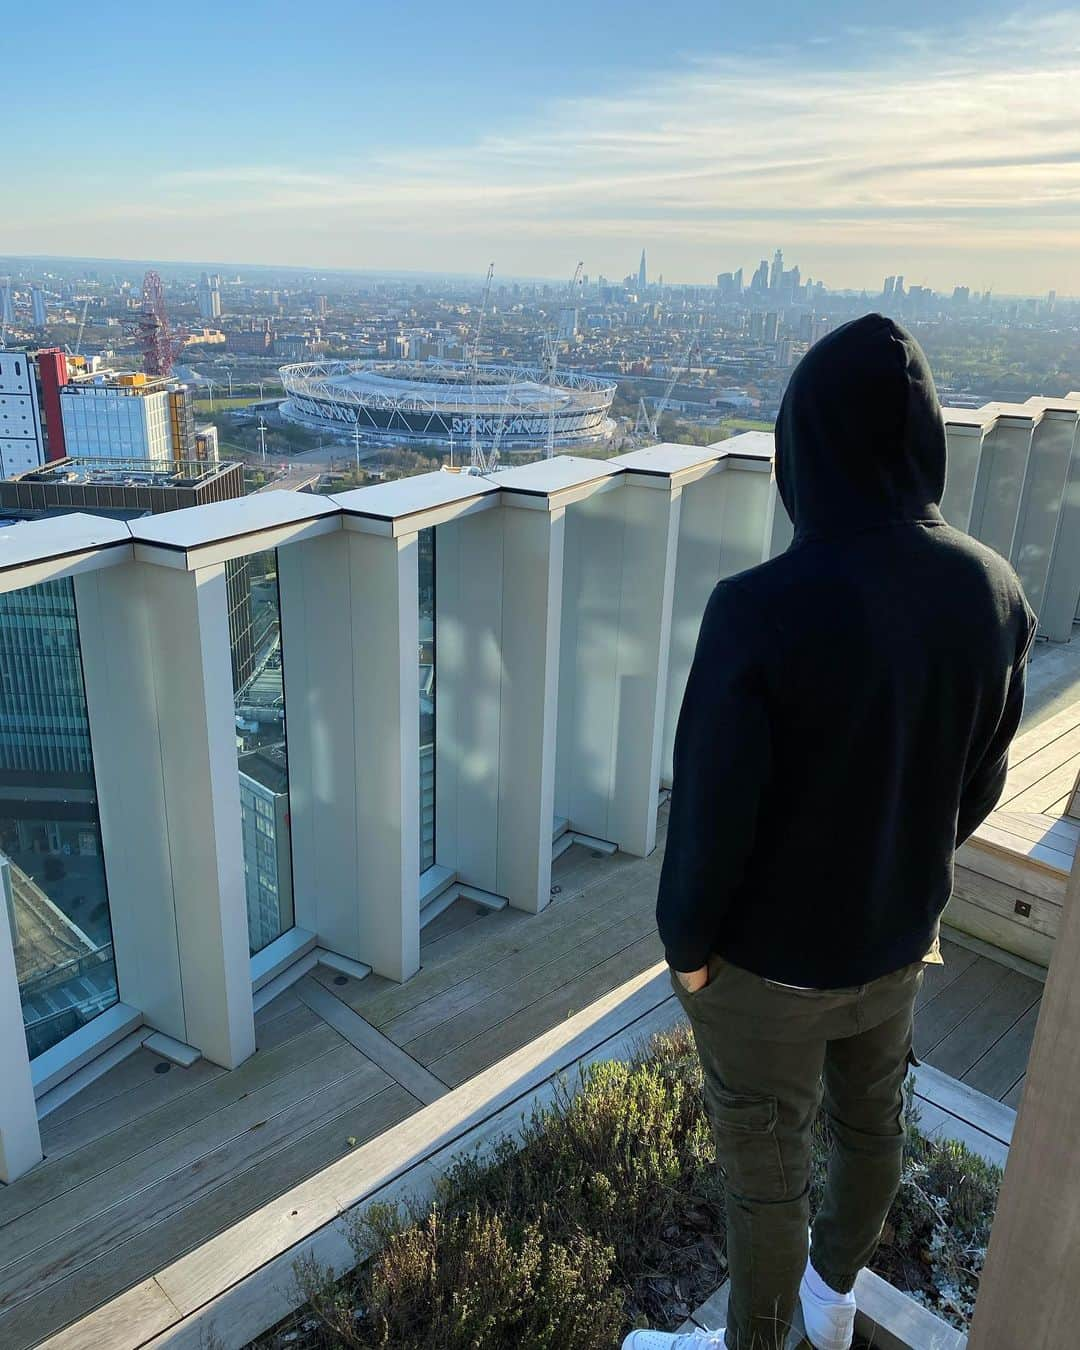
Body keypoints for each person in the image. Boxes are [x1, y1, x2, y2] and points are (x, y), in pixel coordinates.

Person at [623, 314, 1037, 1350]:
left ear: (802, 449)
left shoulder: (759, 610)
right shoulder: (995, 593)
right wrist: (903, 867)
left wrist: (689, 959)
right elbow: (977, 785)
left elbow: (709, 819)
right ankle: (835, 1300)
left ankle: (756, 1342)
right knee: (872, 1129)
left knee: (767, 1179)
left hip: (766, 970)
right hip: (899, 940)